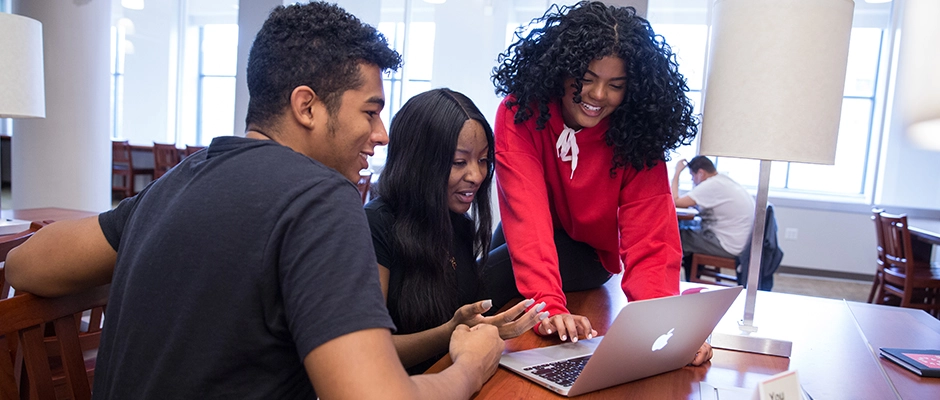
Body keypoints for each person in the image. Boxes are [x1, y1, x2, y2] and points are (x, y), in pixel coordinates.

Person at [4, 3, 502, 399]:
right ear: (306, 106)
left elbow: (25, 265)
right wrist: (468, 369)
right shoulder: (322, 200)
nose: (381, 133)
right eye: (370, 111)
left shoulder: (177, 182)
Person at [488, 1, 711, 365]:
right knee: (489, 270)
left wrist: (664, 328)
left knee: (489, 278)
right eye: (586, 79)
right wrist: (548, 307)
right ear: (561, 71)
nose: (597, 95)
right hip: (534, 233)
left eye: (615, 85)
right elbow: (526, 212)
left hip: (589, 252)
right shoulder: (521, 112)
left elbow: (651, 238)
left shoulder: (636, 135)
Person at [365, 88, 547, 375]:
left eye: (484, 160)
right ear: (419, 162)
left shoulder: (458, 224)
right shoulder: (375, 225)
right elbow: (369, 353)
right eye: (459, 162)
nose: (476, 176)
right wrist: (453, 330)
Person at [672, 156, 755, 281]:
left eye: (692, 176)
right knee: (687, 232)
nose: (693, 180)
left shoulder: (711, 185)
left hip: (727, 245)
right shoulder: (722, 180)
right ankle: (692, 277)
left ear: (701, 173)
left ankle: (685, 281)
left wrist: (677, 172)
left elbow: (675, 201)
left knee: (676, 237)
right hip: (738, 242)